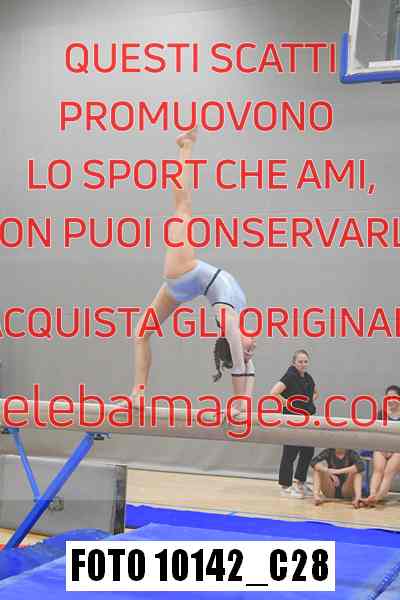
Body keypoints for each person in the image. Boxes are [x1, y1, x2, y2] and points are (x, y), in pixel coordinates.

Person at [131, 128, 256, 410]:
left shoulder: (228, 320)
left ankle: (186, 146)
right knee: (141, 333)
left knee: (183, 206)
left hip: (184, 272)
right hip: (184, 287)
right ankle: (138, 392)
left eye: (248, 349)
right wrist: (245, 404)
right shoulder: (237, 315)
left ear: (234, 342)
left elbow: (240, 366)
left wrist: (238, 406)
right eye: (251, 351)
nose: (253, 348)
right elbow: (248, 368)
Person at [269, 350, 318, 498]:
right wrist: (289, 404)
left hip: (306, 419)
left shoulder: (308, 378)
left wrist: (307, 403)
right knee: (290, 452)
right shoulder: (290, 376)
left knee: (308, 450)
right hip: (292, 420)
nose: (303, 364)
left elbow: (316, 392)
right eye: (300, 362)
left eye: (305, 362)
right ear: (294, 363)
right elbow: (273, 393)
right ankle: (285, 486)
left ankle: (300, 482)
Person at [365, 385, 400, 507]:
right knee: (378, 470)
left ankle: (378, 497)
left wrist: (393, 449)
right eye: (388, 398)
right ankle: (372, 494)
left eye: (394, 397)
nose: (391, 400)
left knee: (388, 472)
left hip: (397, 450)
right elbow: (376, 434)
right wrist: (383, 447)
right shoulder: (381, 413)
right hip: (382, 447)